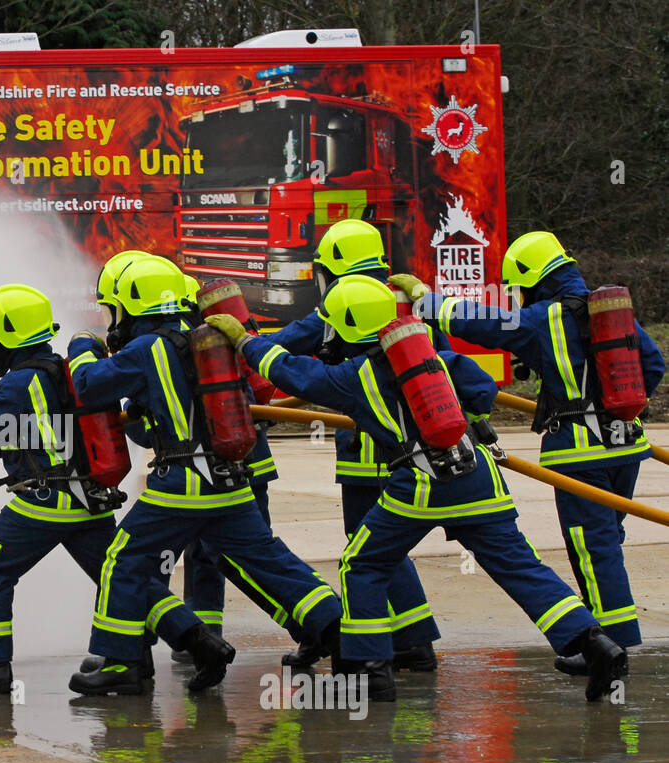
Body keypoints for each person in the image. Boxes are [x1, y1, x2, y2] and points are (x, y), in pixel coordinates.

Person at [210, 275, 627, 702]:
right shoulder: (436, 358)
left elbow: (287, 370)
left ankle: (370, 670)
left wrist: (244, 340)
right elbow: (483, 393)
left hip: (422, 485)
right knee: (520, 567)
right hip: (481, 479)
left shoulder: (353, 377)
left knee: (362, 563)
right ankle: (595, 643)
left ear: (345, 327)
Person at [66, 255, 342, 696]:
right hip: (232, 480)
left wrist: (82, 345)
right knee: (267, 560)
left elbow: (88, 386)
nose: (110, 319)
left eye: (111, 309)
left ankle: (122, 665)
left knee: (123, 560)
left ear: (131, 306)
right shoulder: (208, 342)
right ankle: (334, 626)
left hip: (183, 484)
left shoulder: (145, 349)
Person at [392, 232, 663, 677]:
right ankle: (613, 641)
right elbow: (652, 366)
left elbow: (480, 322)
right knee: (607, 543)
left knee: (592, 550)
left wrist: (425, 300)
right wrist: (617, 409)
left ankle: (612, 648)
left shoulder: (541, 319)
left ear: (533, 279)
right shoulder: (609, 312)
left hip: (578, 454)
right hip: (627, 447)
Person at [0, 283, 208, 693]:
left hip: (43, 504)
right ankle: (197, 639)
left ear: (9, 336)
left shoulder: (19, 383)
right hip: (90, 502)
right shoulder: (68, 370)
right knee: (121, 576)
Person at [266, 219, 443, 672]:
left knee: (369, 545)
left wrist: (241, 346)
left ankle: (403, 644)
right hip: (416, 443)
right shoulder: (404, 299)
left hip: (369, 448)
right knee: (385, 546)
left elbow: (284, 350)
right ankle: (413, 635)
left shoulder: (341, 305)